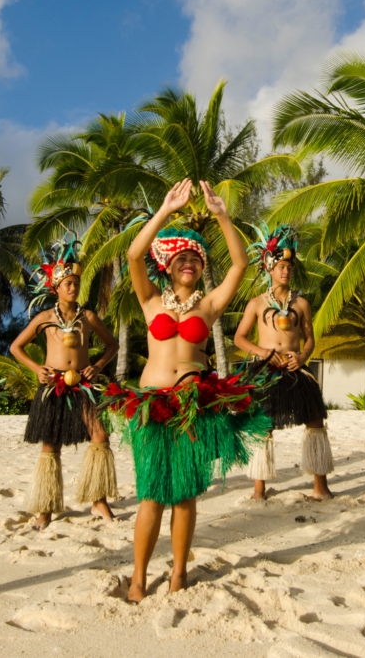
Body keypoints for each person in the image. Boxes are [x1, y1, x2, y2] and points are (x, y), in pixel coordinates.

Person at [112, 179, 270, 602]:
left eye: (196, 259)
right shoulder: (150, 301)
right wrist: (163, 211)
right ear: (167, 263)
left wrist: (221, 214)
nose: (190, 263)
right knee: (151, 495)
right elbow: (132, 255)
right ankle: (140, 577)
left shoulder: (209, 304)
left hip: (193, 406)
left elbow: (239, 265)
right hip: (151, 403)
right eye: (182, 256)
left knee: (184, 494)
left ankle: (180, 572)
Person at [11, 236, 120, 529]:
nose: (73, 288)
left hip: (84, 385)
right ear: (56, 287)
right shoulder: (45, 318)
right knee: (51, 446)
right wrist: (36, 368)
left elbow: (113, 346)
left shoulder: (88, 317)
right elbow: (15, 347)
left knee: (100, 437)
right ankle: (46, 507)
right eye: (67, 283)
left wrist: (97, 366)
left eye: (76, 283)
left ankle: (98, 501)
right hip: (54, 386)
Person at [234, 223, 333, 500]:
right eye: (280, 266)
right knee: (262, 425)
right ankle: (259, 490)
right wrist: (262, 352)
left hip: (294, 367)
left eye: (289, 267)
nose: (286, 271)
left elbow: (310, 339)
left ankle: (320, 487)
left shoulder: (301, 304)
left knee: (315, 421)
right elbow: (239, 338)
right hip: (265, 369)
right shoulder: (256, 302)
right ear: (269, 268)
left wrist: (302, 357)